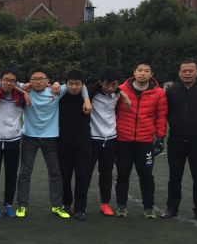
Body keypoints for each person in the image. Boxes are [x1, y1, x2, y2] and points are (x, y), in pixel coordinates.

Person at [15, 68, 91, 219]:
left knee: (55, 173)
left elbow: (81, 85)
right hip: (29, 137)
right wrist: (22, 90)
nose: (38, 81)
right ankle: (22, 205)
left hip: (50, 138)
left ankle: (57, 205)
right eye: (34, 79)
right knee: (25, 172)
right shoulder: (26, 90)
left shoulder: (56, 91)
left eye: (41, 79)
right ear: (30, 81)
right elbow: (3, 82)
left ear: (47, 81)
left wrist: (87, 100)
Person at [162, 59, 197, 221]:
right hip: (176, 141)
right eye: (184, 71)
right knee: (174, 177)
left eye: (190, 71)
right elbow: (167, 114)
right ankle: (172, 208)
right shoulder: (171, 91)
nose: (187, 73)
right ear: (179, 73)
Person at [115, 60, 167, 219]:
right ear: (134, 72)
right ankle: (121, 206)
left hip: (145, 142)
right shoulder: (120, 89)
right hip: (123, 140)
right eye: (139, 70)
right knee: (123, 174)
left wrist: (160, 137)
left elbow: (161, 116)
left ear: (151, 74)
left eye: (146, 71)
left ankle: (148, 208)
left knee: (146, 176)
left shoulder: (159, 93)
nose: (142, 73)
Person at [87, 68, 130, 216]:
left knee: (106, 173)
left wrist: (123, 93)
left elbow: (117, 90)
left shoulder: (117, 93)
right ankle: (80, 203)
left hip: (111, 139)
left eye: (114, 85)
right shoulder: (91, 92)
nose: (110, 88)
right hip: (92, 139)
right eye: (107, 84)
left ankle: (105, 203)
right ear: (100, 82)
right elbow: (82, 89)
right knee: (85, 173)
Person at [0, 69, 25, 217]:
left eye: (12, 81)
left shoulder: (20, 96)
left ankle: (8, 204)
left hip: (13, 142)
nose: (8, 83)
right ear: (0, 80)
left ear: (16, 83)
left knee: (11, 176)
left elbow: (31, 85)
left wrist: (23, 91)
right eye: (6, 80)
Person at [57, 70, 92, 221]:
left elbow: (109, 86)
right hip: (63, 142)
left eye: (77, 84)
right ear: (66, 84)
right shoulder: (60, 95)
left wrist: (87, 99)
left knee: (82, 176)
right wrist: (56, 83)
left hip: (83, 142)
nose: (74, 87)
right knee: (64, 175)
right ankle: (66, 204)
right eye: (71, 83)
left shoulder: (88, 95)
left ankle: (80, 209)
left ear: (83, 85)